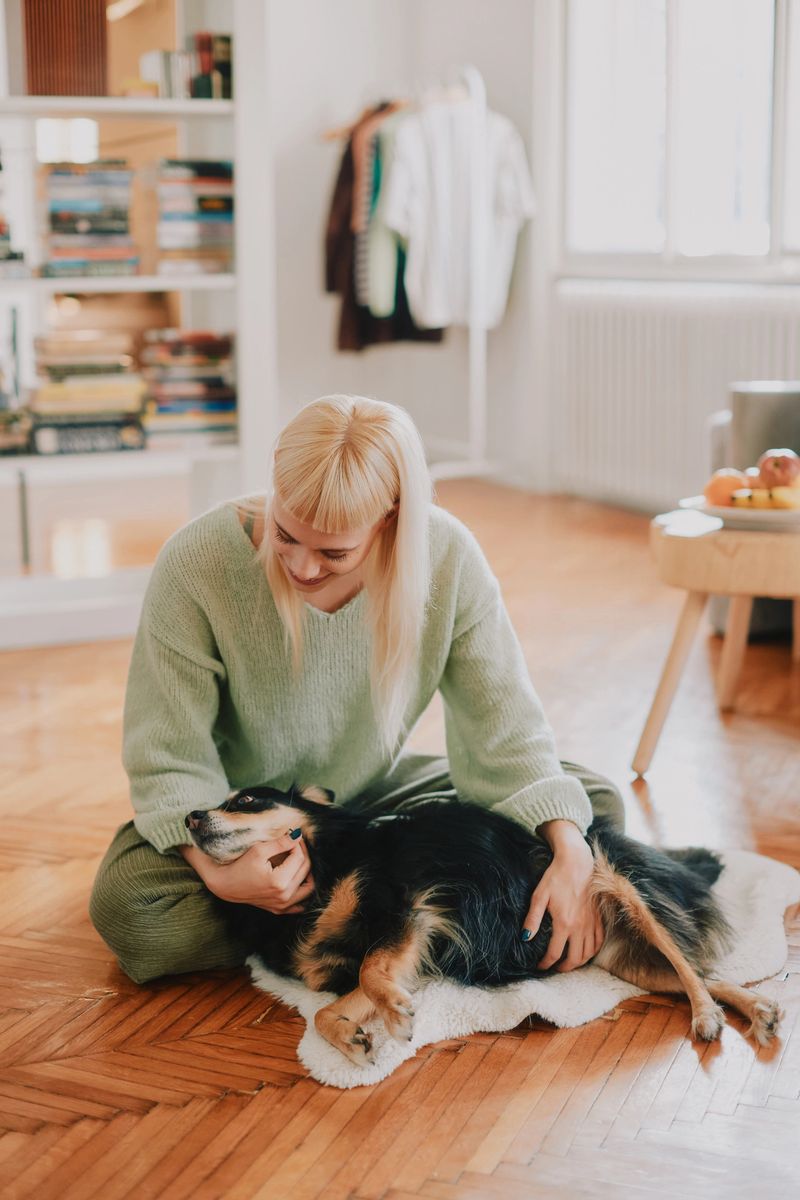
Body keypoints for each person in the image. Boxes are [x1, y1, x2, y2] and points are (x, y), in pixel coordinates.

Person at [89, 394, 625, 985]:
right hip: (237, 818)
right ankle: (420, 914)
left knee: (591, 807)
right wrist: (218, 869)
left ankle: (357, 916)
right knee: (134, 913)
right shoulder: (196, 563)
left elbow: (506, 728)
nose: (302, 567)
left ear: (392, 517)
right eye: (287, 535)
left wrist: (569, 850)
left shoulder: (447, 558)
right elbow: (167, 753)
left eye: (334, 553)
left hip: (369, 808)